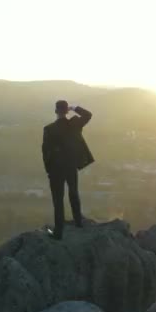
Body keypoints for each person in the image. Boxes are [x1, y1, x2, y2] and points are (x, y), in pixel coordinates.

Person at [42, 100, 94, 240]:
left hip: (55, 170)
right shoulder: (74, 124)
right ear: (66, 111)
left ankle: (58, 232)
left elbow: (45, 152)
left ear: (55, 111)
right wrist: (74, 107)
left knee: (58, 200)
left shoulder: (48, 129)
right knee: (74, 194)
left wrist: (48, 170)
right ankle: (78, 223)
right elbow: (88, 115)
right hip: (71, 166)